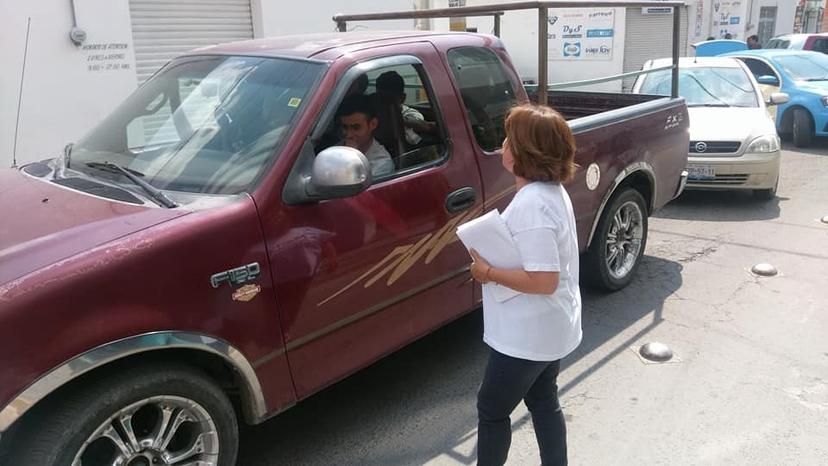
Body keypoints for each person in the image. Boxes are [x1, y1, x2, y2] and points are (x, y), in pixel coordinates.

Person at [469, 104, 582, 466]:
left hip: (527, 335)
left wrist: (487, 272)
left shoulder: (533, 204)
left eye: (508, 139)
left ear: (524, 153)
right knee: (543, 400)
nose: (502, 145)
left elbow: (544, 280)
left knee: (491, 409)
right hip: (549, 327)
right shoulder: (550, 192)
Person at [337, 93, 394, 178]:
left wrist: (351, 158)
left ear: (373, 124)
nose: (349, 135)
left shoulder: (382, 164)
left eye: (356, 127)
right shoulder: (338, 147)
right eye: (345, 127)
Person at [375, 71, 436, 145]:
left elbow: (420, 125)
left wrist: (394, 118)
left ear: (402, 98)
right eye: (380, 99)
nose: (384, 104)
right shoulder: (373, 114)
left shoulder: (411, 114)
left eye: (389, 100)